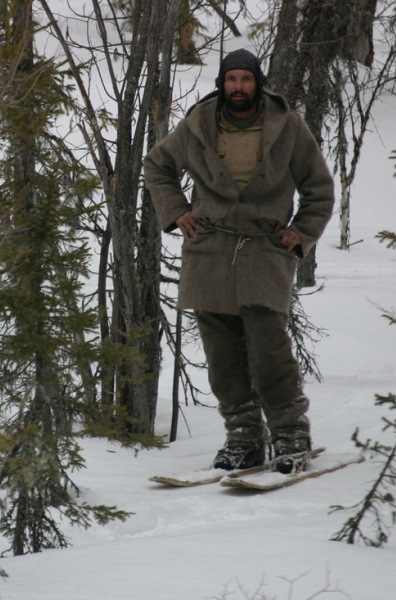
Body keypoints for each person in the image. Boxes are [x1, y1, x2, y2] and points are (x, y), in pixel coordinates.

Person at [143, 49, 335, 474]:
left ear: (258, 82)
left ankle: (290, 435)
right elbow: (158, 165)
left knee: (269, 350)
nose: (238, 88)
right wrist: (177, 212)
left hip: (265, 252)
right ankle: (243, 438)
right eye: (231, 80)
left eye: (246, 80)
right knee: (222, 355)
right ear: (221, 83)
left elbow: (319, 188)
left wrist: (300, 233)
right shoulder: (198, 123)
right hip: (209, 250)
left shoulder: (287, 126)